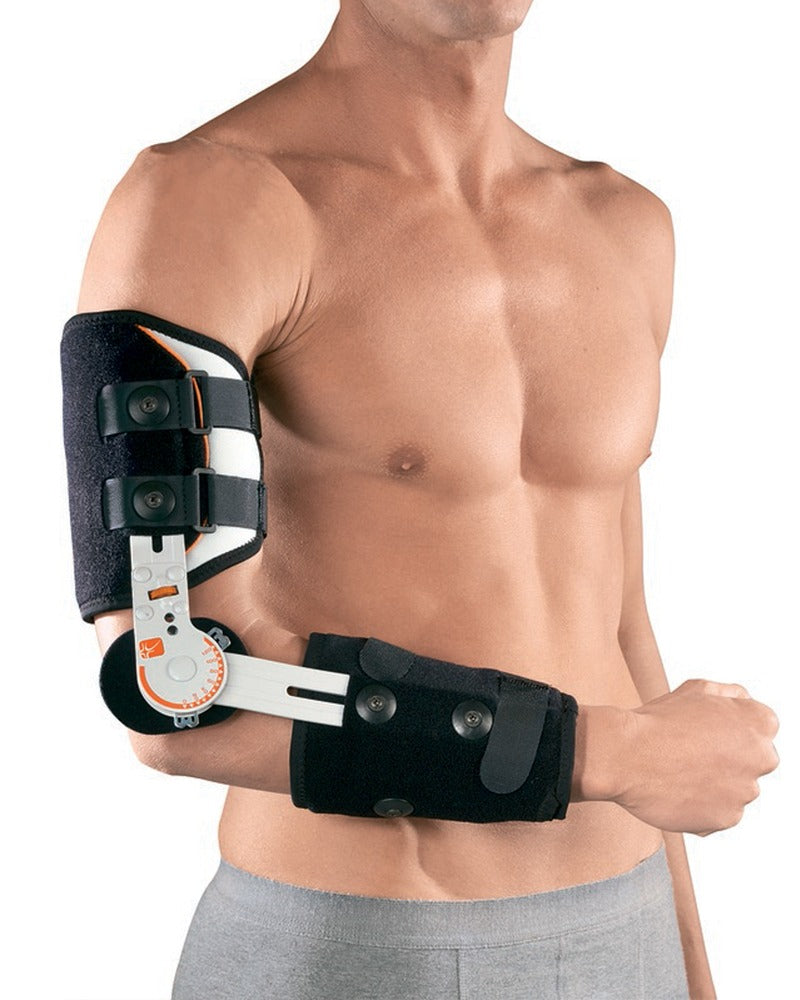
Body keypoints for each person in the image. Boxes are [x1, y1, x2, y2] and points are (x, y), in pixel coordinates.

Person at [72, 2, 779, 997]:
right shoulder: (210, 202)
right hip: (361, 947)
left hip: (628, 925)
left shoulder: (623, 223)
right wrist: (609, 752)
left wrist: (691, 962)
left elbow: (617, 621)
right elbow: (173, 686)